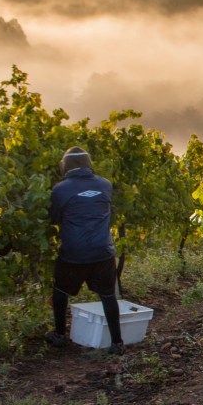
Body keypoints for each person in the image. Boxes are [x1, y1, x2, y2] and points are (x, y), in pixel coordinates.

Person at [46, 146, 123, 354]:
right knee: (108, 296)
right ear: (88, 164)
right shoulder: (105, 185)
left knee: (60, 290)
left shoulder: (60, 189)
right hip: (103, 251)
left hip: (74, 253)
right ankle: (117, 343)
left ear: (65, 166)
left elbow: (53, 218)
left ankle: (60, 335)